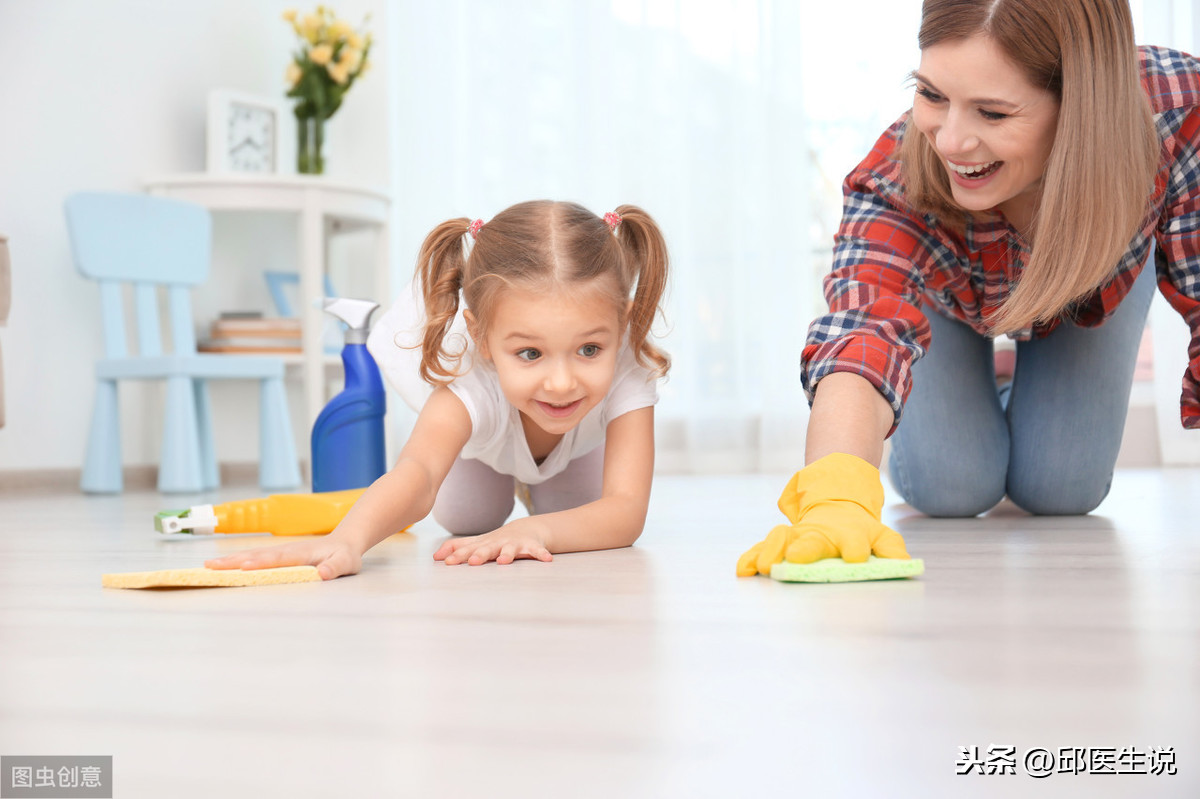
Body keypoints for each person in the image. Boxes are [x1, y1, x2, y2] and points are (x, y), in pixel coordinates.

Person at [739, 0, 1200, 577]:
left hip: (1093, 283)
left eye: (992, 112)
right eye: (932, 94)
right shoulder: (897, 178)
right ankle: (993, 378)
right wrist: (834, 496)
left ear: (1079, 107)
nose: (951, 142)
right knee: (951, 488)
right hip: (949, 298)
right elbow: (862, 330)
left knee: (1062, 488)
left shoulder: (1179, 111)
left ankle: (1007, 384)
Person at [207, 200, 670, 578]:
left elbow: (625, 510)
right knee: (467, 518)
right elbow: (420, 473)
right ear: (483, 337)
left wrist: (537, 531)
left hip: (575, 453)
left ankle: (538, 493)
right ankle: (512, 485)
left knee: (578, 514)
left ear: (621, 323)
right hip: (485, 450)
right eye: (530, 354)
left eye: (589, 349)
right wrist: (347, 540)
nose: (562, 382)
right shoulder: (469, 379)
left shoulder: (630, 365)